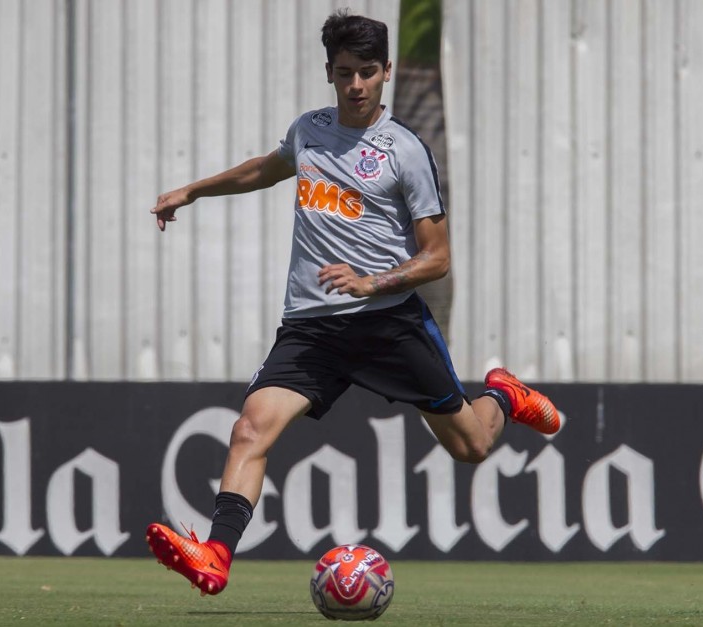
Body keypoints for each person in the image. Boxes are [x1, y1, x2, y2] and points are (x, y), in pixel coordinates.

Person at [146, 9, 562, 597]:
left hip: (387, 324)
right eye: (345, 73)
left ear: (387, 71)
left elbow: (438, 257)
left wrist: (374, 281)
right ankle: (215, 556)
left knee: (472, 446)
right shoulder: (309, 130)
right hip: (311, 328)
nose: (357, 85)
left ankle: (502, 393)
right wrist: (193, 190)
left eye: (368, 72)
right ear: (329, 73)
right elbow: (266, 170)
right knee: (249, 431)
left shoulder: (405, 151)